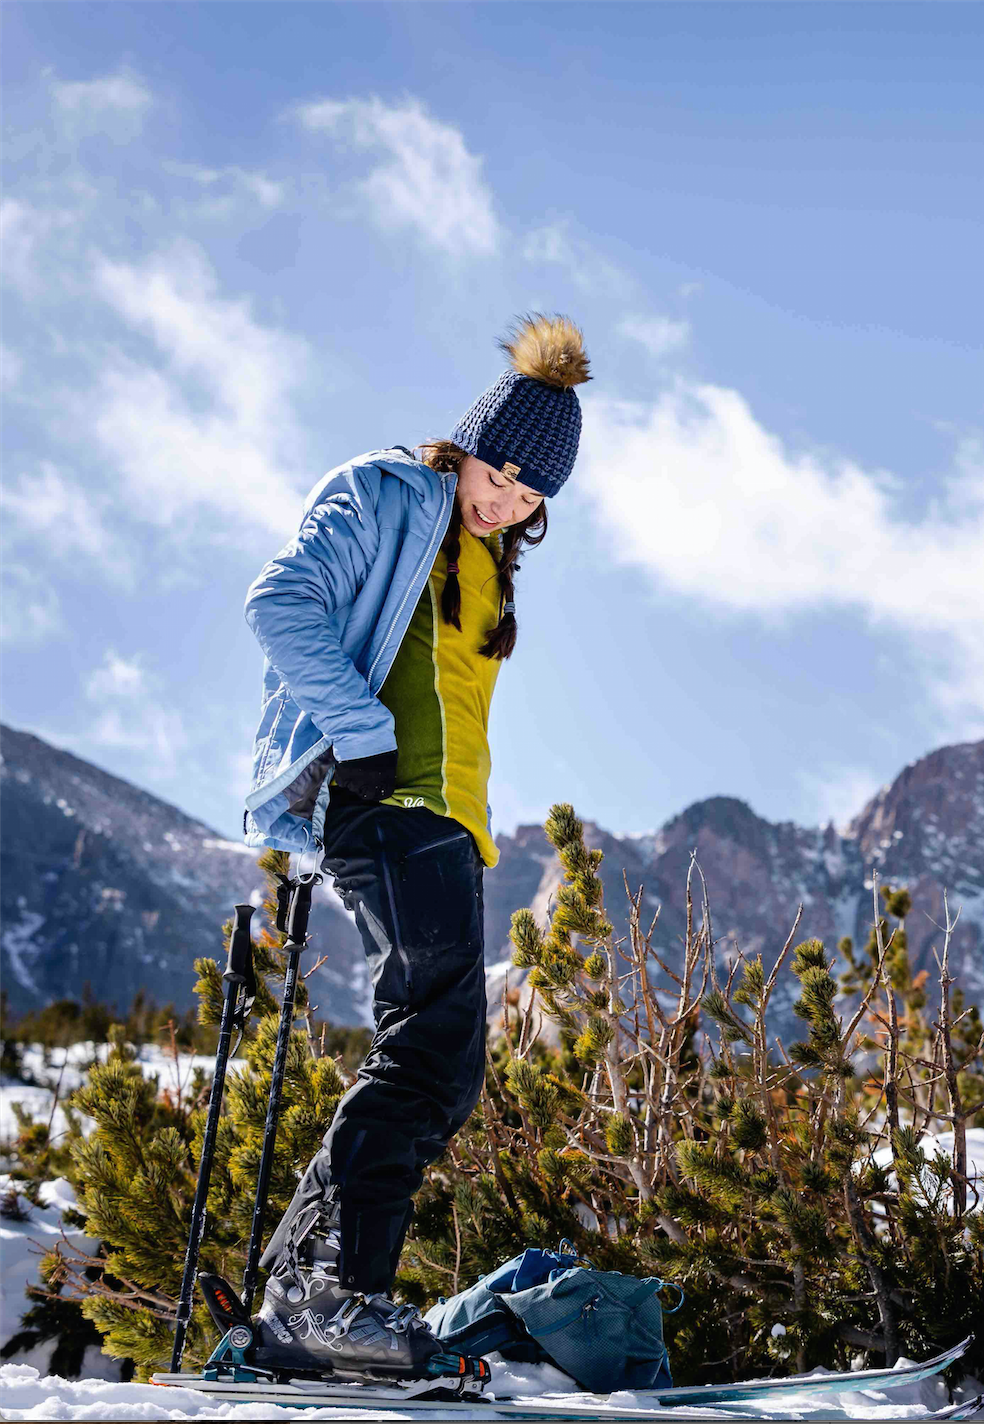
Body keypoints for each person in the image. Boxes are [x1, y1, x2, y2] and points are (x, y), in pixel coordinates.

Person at [239, 314, 590, 1375]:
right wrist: (361, 732)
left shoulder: (492, 560)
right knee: (427, 1043)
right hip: (383, 796)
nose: (510, 497)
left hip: (450, 825)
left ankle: (308, 1293)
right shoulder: (387, 493)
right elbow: (279, 602)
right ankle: (330, 1296)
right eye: (503, 470)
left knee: (448, 1069)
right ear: (471, 436)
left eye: (535, 492)